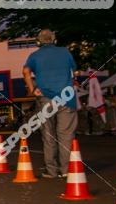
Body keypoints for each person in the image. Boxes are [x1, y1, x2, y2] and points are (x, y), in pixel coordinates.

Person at [23, 29, 78, 178]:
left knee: (48, 135)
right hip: (66, 98)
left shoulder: (34, 56)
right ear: (54, 39)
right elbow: (75, 71)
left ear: (39, 41)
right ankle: (66, 170)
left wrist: (32, 89)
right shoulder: (65, 52)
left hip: (45, 98)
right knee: (65, 134)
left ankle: (51, 171)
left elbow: (26, 71)